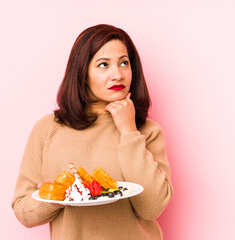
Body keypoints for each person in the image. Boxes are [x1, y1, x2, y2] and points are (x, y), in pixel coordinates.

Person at [11, 24, 173, 240]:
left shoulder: (147, 131)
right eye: (103, 65)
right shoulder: (48, 128)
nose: (117, 74)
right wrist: (63, 192)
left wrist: (128, 131)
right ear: (82, 72)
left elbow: (151, 208)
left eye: (124, 63)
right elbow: (24, 211)